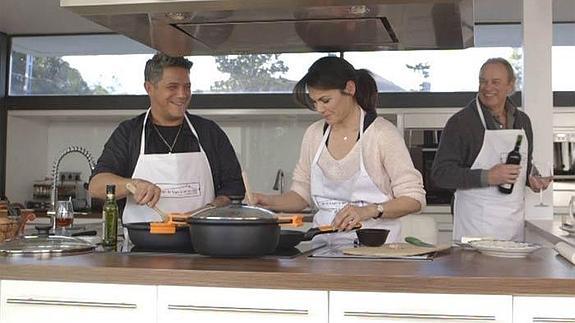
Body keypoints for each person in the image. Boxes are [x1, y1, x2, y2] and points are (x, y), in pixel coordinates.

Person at [252, 56, 426, 245]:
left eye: (325, 100)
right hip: (322, 250)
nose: (320, 109)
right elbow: (301, 195)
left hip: (375, 252)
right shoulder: (314, 134)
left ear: (350, 89)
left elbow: (413, 198)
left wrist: (370, 210)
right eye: (315, 102)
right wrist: (265, 201)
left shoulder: (381, 134)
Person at [89, 53, 244, 224]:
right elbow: (96, 186)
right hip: (142, 246)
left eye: (187, 87)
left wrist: (207, 209)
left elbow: (234, 190)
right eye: (173, 87)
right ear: (149, 88)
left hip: (202, 244)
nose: (182, 95)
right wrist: (132, 185)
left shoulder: (209, 132)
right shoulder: (129, 133)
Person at [431, 57, 549, 241]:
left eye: (495, 82)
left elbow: (524, 166)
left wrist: (532, 179)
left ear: (510, 86)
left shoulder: (523, 121)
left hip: (512, 227)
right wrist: (488, 176)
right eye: (483, 81)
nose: (487, 87)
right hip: (474, 227)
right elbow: (441, 174)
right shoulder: (461, 123)